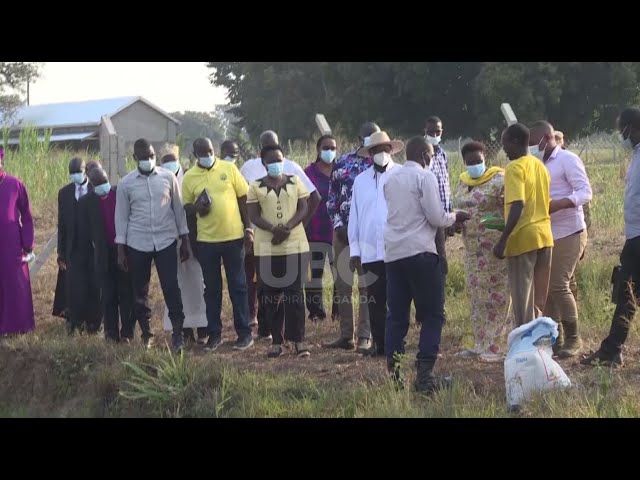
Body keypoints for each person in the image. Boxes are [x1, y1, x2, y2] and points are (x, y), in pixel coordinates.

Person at [384, 136, 470, 392]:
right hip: (421, 253)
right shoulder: (425, 177)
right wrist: (457, 216)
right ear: (423, 154)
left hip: (394, 254)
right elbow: (436, 217)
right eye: (431, 156)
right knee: (433, 314)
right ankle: (425, 376)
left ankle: (395, 375)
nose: (432, 160)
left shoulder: (391, 179)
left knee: (397, 316)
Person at [241, 130, 320, 337]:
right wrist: (254, 229)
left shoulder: (292, 169)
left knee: (292, 291)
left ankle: (294, 337)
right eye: (267, 149)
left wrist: (295, 226)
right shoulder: (249, 169)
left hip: (292, 240)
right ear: (261, 154)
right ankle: (268, 331)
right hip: (264, 240)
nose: (276, 162)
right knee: (266, 290)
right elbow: (246, 205)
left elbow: (313, 198)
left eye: (276, 151)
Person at [115, 139, 190, 352]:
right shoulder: (126, 184)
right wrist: (121, 250)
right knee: (140, 290)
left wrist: (185, 239)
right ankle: (147, 333)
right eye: (143, 157)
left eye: (150, 156)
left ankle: (178, 334)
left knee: (171, 287)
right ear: (135, 159)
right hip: (138, 242)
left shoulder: (168, 178)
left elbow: (178, 209)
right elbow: (121, 218)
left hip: (166, 240)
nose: (148, 160)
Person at [182, 137, 254, 352]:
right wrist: (197, 208)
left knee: (238, 287)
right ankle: (215, 335)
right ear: (195, 155)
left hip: (234, 238)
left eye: (210, 151)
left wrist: (248, 228)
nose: (207, 156)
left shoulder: (229, 169)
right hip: (206, 241)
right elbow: (187, 209)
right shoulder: (189, 177)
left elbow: (244, 199)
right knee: (212, 290)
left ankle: (244, 334)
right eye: (202, 153)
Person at [582, 107, 640, 367]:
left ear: (632, 127)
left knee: (627, 294)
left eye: (622, 130)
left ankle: (611, 349)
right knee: (625, 294)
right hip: (634, 237)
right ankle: (611, 350)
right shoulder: (637, 154)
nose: (621, 136)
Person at [529, 121, 592, 358]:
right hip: (545, 233)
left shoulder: (567, 159)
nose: (532, 148)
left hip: (569, 231)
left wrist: (559, 204)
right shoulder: (536, 163)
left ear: (547, 138)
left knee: (558, 284)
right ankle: (555, 338)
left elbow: (585, 192)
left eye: (534, 144)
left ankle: (574, 339)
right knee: (545, 289)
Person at [247, 144, 311, 358]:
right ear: (264, 163)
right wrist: (273, 229)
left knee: (294, 294)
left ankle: (298, 341)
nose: (277, 163)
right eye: (272, 160)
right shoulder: (255, 186)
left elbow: (304, 207)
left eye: (280, 159)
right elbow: (254, 216)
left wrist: (288, 227)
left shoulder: (294, 181)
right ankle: (277, 341)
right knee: (271, 296)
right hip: (267, 247)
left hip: (295, 245)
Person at [325, 122, 380, 352]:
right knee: (343, 285)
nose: (372, 139)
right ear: (361, 138)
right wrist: (339, 225)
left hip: (368, 235)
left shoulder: (382, 166)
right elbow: (331, 198)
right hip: (342, 233)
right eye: (368, 136)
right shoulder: (343, 163)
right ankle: (346, 335)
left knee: (367, 286)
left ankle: (365, 337)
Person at [453, 141, 510, 362]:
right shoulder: (462, 181)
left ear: (485, 158)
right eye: (470, 162)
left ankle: (496, 346)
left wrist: (503, 239)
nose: (475, 165)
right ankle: (480, 343)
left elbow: (511, 209)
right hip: (472, 249)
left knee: (497, 297)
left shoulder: (499, 179)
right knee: (477, 296)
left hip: (494, 248)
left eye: (478, 161)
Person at [493, 124, 554, 327]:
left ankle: (526, 351)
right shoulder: (540, 166)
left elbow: (518, 205)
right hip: (544, 237)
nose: (504, 149)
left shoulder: (514, 168)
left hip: (523, 239)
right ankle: (539, 347)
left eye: (505, 144)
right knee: (538, 301)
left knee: (522, 303)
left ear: (516, 142)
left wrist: (503, 240)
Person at [349, 131, 401, 357]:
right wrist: (354, 250)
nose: (380, 153)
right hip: (371, 251)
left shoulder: (401, 175)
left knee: (397, 300)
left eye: (384, 149)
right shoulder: (360, 181)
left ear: (391, 150)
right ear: (369, 154)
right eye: (375, 150)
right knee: (375, 301)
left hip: (398, 248)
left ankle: (397, 344)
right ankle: (380, 345)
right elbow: (355, 217)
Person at [78, 166, 135, 343]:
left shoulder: (120, 194)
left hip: (123, 251)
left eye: (105, 181)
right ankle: (111, 334)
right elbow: (85, 233)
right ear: (92, 183)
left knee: (126, 294)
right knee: (108, 295)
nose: (103, 185)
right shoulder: (87, 202)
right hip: (103, 254)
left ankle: (127, 333)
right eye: (99, 183)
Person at [159, 150, 208, 346]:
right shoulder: (159, 181)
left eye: (172, 161)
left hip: (194, 240)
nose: (170, 164)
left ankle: (203, 327)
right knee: (177, 285)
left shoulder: (191, 177)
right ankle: (184, 329)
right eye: (165, 162)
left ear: (179, 161)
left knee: (198, 282)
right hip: (169, 241)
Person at [56, 157, 101, 335]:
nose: (76, 175)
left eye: (79, 172)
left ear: (86, 171)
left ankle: (95, 323)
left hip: (93, 247)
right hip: (73, 247)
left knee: (94, 285)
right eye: (72, 173)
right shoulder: (64, 193)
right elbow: (62, 224)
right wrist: (61, 251)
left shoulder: (95, 189)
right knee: (74, 286)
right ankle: (74, 322)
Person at [304, 135, 339, 323]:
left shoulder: (341, 171)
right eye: (326, 148)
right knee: (314, 274)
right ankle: (316, 312)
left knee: (340, 274)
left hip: (338, 231)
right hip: (315, 230)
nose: (329, 151)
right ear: (318, 150)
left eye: (333, 148)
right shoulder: (308, 173)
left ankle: (339, 312)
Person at [0, 148, 35, 336]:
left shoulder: (14, 184)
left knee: (15, 283)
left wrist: (28, 244)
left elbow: (27, 216)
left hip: (11, 245)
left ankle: (17, 327)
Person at [425, 116, 453, 306]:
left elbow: (446, 187)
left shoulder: (443, 154)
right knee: (426, 263)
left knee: (441, 263)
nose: (435, 135)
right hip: (425, 219)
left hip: (442, 218)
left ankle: (439, 305)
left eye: (438, 132)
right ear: (424, 130)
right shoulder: (421, 153)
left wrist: (450, 216)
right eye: (432, 131)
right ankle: (424, 307)